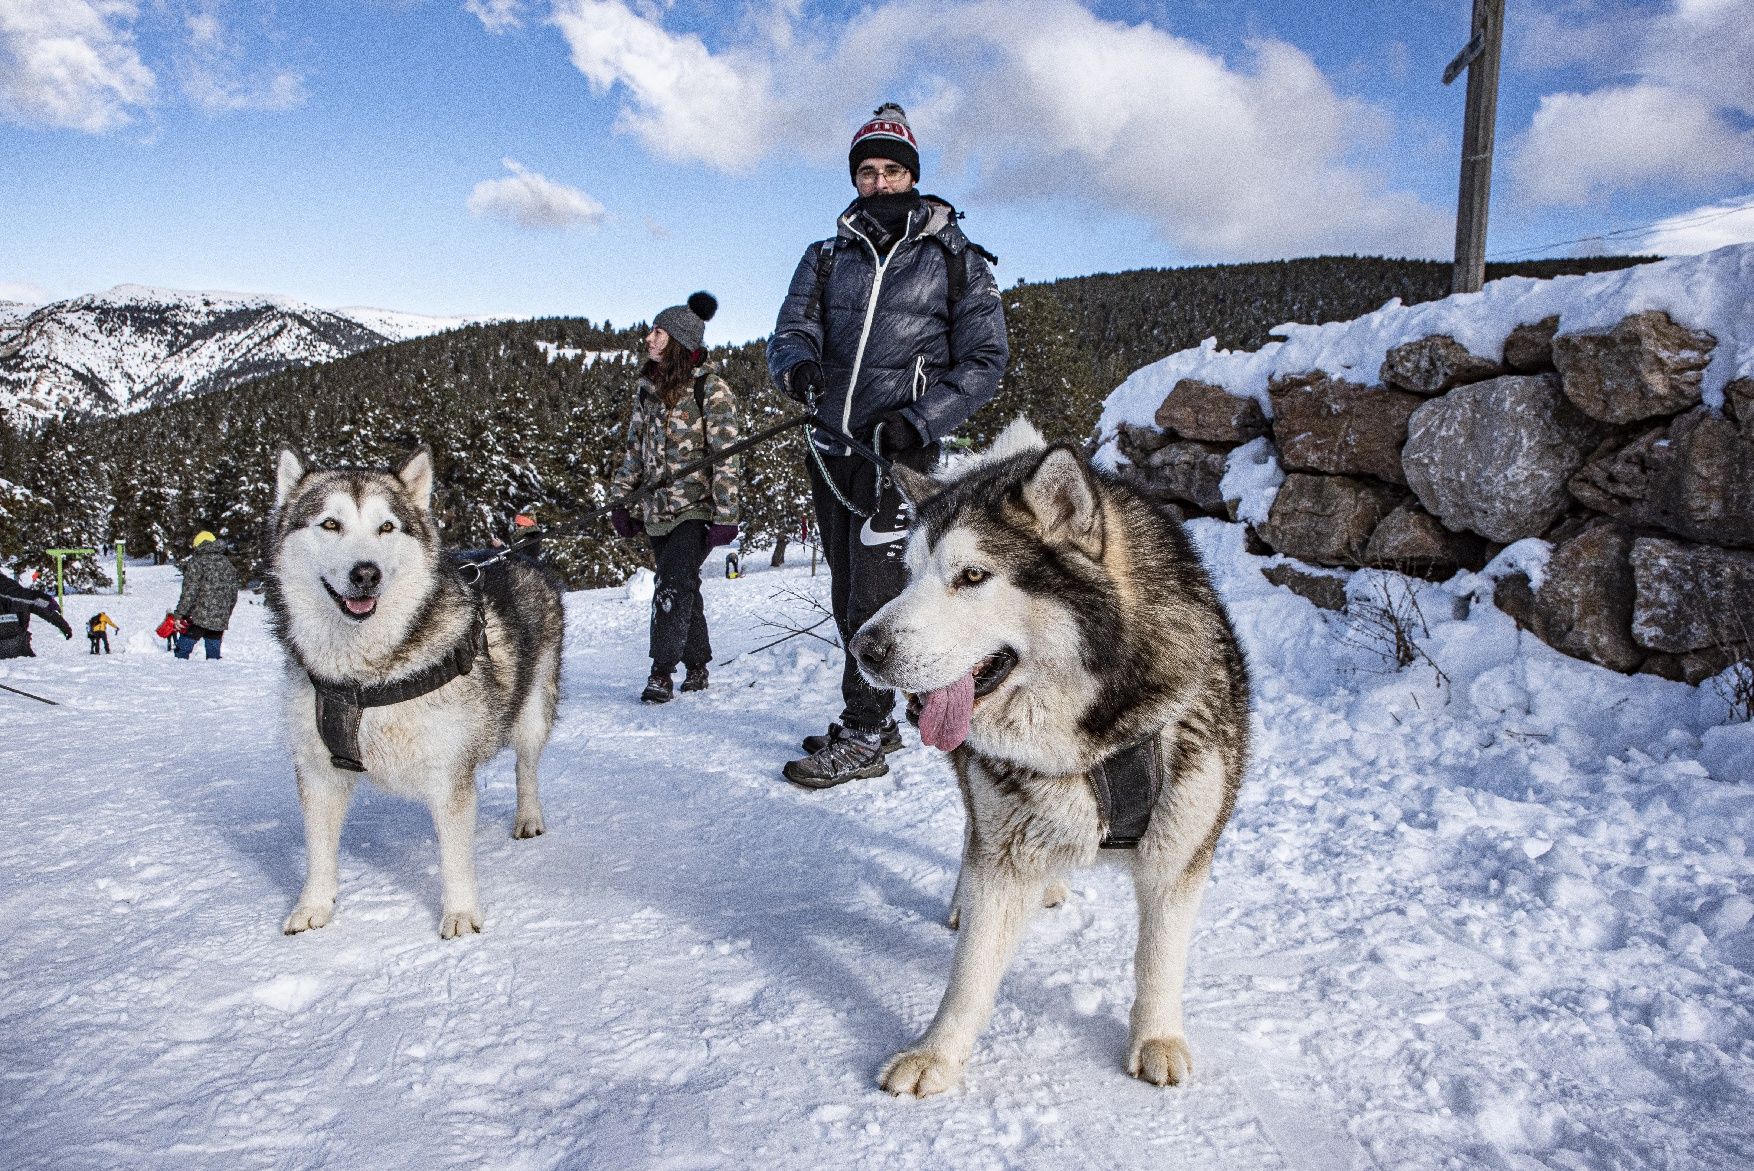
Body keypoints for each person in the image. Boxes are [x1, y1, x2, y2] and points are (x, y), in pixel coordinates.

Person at [766, 102, 1008, 788]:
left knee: (875, 593)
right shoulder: (826, 255)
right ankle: (868, 716)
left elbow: (985, 359)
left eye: (891, 170)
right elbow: (790, 331)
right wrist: (799, 368)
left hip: (899, 458)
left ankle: (869, 732)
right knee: (848, 590)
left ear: (912, 175)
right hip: (832, 445)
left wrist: (921, 419)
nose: (878, 182)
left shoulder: (955, 259)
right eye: (866, 171)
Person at [608, 292, 740, 703]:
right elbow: (633, 451)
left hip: (695, 509)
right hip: (655, 511)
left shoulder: (711, 390)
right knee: (684, 586)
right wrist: (621, 501)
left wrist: (725, 514)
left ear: (679, 340)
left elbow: (725, 456)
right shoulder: (647, 389)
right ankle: (697, 664)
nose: (649, 338)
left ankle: (660, 671)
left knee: (670, 585)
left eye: (658, 332)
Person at [171, 531, 240, 660]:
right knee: (214, 659)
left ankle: (178, 677)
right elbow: (233, 595)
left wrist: (179, 614)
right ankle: (213, 679)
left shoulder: (197, 562)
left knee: (181, 653)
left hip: (198, 617)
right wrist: (226, 613)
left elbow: (189, 592)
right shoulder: (228, 564)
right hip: (220, 617)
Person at [0, 568, 74, 658]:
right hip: (20, 650)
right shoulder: (18, 592)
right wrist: (64, 626)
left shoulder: (12, 591)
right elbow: (35, 601)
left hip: (17, 648)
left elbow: (31, 599)